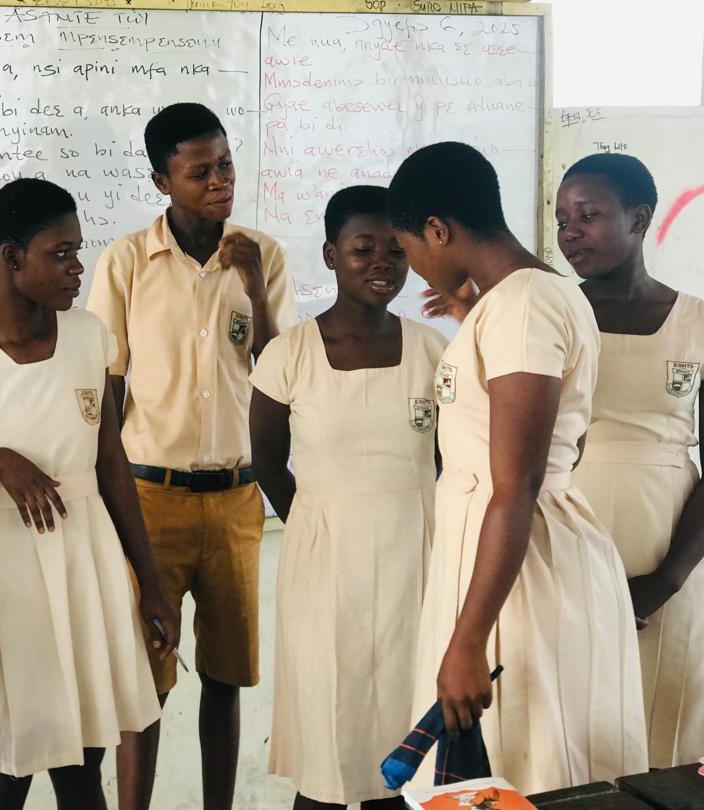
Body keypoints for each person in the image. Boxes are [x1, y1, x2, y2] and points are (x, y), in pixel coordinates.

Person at [0, 178, 176, 810]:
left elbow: (112, 467)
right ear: (11, 258)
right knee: (5, 762)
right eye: (60, 253)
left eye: (78, 250)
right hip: (1, 576)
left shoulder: (89, 337)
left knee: (83, 757)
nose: (77, 267)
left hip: (85, 558)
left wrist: (151, 583)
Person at [386, 142, 648, 793]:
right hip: (507, 555)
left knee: (525, 767)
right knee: (510, 768)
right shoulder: (519, 301)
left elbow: (518, 483)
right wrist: (474, 318)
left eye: (409, 249)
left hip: (517, 571)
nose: (414, 268)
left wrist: (468, 641)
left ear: (438, 230)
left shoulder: (524, 305)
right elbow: (560, 447)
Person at [86, 102, 298, 810]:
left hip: (237, 498)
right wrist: (106, 501)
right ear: (162, 181)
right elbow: (108, 389)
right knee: (144, 682)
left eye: (226, 165)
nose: (219, 181)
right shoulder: (126, 263)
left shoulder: (262, 255)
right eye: (199, 171)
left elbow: (282, 373)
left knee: (226, 679)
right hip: (150, 499)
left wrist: (255, 290)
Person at [249, 186, 446, 808]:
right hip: (324, 560)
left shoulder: (433, 349)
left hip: (415, 554)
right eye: (364, 249)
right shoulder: (289, 353)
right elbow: (266, 460)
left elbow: (446, 458)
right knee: (328, 736)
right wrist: (314, 523)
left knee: (406, 728)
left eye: (396, 249)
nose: (382, 262)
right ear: (332, 256)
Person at [556, 153, 704, 768]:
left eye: (587, 216)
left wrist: (666, 580)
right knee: (572, 729)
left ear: (640, 217)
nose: (570, 233)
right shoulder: (553, 315)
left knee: (664, 722)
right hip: (566, 538)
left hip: (674, 551)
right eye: (561, 220)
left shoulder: (696, 321)